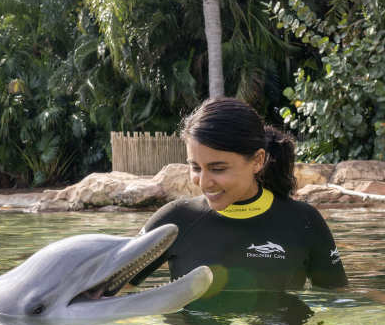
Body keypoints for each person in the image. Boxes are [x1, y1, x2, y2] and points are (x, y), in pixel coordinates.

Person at [127, 97, 348, 298]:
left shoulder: (302, 221)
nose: (203, 183)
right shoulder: (174, 220)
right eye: (195, 167)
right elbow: (108, 293)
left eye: (218, 169)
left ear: (257, 161)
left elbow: (338, 300)